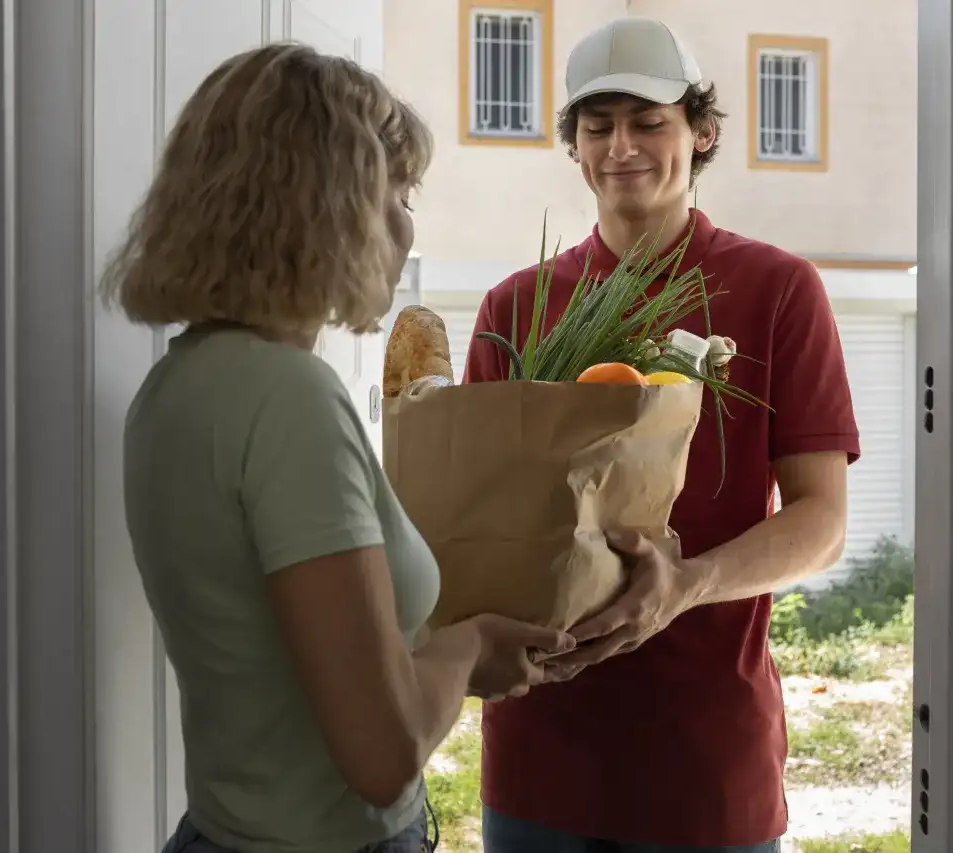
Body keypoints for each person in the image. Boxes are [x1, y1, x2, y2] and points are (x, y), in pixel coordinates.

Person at [100, 44, 574, 853]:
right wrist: (467, 651)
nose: (406, 223)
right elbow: (383, 756)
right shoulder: (289, 401)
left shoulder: (173, 391)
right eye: (398, 192)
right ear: (332, 206)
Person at [462, 17, 861, 853]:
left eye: (650, 121)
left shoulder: (778, 289)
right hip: (540, 761)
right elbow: (475, 517)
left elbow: (821, 521)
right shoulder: (513, 308)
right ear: (573, 146)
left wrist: (686, 582)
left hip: (707, 764)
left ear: (702, 132)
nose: (623, 147)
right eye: (598, 125)